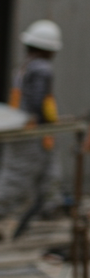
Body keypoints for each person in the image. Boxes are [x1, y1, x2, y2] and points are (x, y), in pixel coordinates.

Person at [0, 21, 64, 227]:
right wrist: (48, 121)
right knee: (16, 179)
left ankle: (47, 211)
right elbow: (38, 100)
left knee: (49, 172)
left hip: (26, 128)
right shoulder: (42, 68)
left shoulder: (25, 66)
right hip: (31, 131)